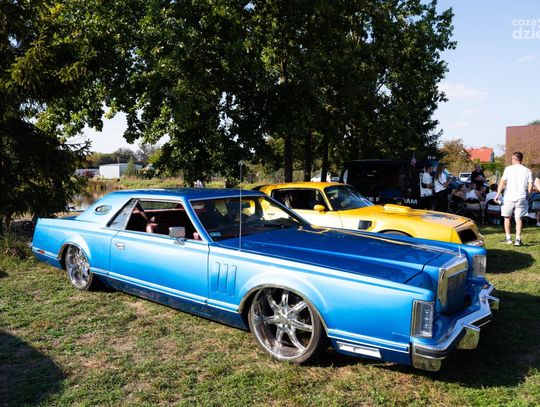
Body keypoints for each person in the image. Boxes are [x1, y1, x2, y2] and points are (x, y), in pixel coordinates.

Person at [494, 152, 533, 246]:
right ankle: (518, 240)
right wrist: (528, 194)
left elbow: (502, 182)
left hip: (509, 197)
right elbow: (530, 184)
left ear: (515, 159)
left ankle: (508, 238)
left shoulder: (508, 169)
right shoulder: (527, 170)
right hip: (521, 196)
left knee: (507, 217)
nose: (511, 160)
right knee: (518, 218)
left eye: (512, 159)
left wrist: (497, 194)